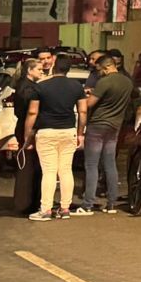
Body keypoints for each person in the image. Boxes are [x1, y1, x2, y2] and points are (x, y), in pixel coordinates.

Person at [23, 61, 89, 220]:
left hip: (47, 132)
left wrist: (28, 136)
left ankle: (45, 209)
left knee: (49, 171)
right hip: (68, 131)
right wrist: (80, 133)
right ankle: (65, 208)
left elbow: (32, 112)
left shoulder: (41, 86)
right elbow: (83, 111)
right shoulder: (76, 87)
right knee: (66, 170)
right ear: (68, 69)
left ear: (53, 68)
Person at [77, 54, 135, 214]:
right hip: (115, 126)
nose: (98, 73)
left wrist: (86, 95)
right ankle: (111, 204)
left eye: (99, 69)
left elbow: (90, 104)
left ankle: (88, 204)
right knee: (110, 163)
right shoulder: (127, 82)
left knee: (91, 165)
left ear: (108, 66)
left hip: (97, 125)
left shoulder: (105, 81)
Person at [10, 52, 53, 214]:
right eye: (39, 69)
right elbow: (29, 111)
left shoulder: (28, 85)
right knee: (27, 167)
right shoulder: (27, 88)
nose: (42, 71)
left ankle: (29, 201)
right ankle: (25, 202)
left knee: (32, 166)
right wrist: (29, 134)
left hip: (27, 128)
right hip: (27, 129)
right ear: (29, 70)